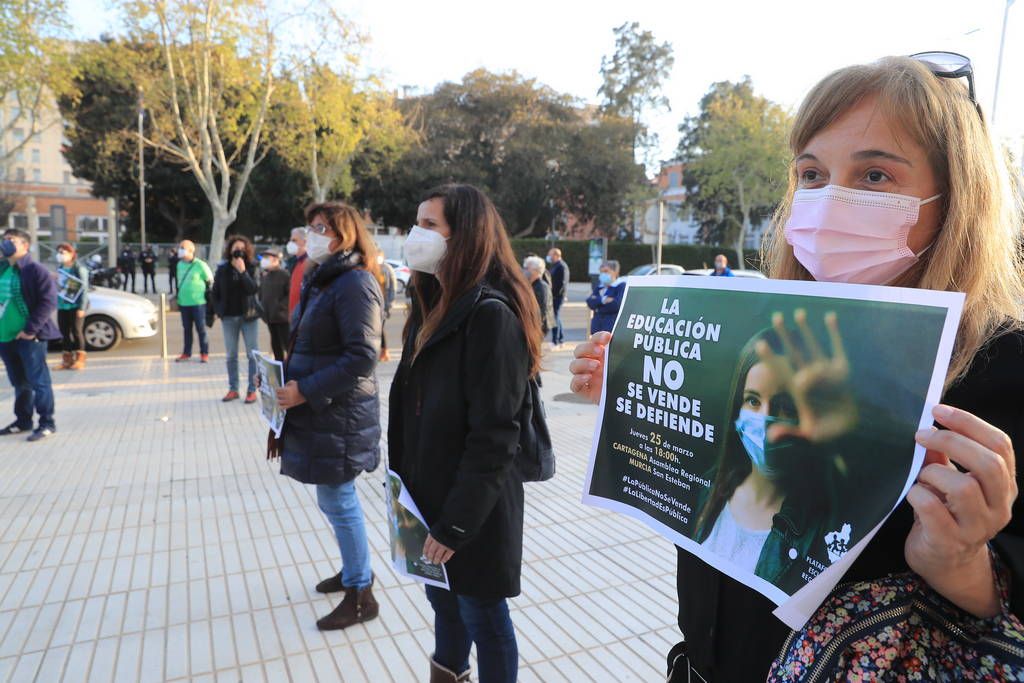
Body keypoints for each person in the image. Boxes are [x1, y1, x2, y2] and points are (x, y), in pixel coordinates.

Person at [569, 55, 1024, 681]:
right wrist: (632, 396)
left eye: (874, 174)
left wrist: (960, 562)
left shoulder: (1002, 364)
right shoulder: (758, 326)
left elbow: (1004, 604)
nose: (831, 198)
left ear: (956, 196)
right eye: (811, 173)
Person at [389, 184, 542, 683]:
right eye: (417, 223)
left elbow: (496, 437)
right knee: (443, 603)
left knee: (484, 617)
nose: (416, 234)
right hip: (427, 499)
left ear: (465, 236)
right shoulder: (430, 305)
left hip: (472, 510)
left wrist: (454, 525)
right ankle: (448, 673)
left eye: (430, 225)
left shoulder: (490, 316)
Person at [269, 202, 384, 632]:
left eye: (320, 228)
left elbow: (362, 355)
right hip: (325, 413)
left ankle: (361, 594)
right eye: (310, 226)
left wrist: (307, 389)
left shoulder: (354, 283)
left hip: (341, 414)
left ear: (344, 236)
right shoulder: (325, 279)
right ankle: (354, 571)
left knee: (340, 499)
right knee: (331, 499)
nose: (311, 234)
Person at [0, 229, 61, 441]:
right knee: (19, 382)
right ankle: (23, 420)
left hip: (29, 337)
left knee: (39, 382)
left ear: (25, 246)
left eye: (11, 240)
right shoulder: (3, 268)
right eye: (4, 239)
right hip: (5, 337)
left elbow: (48, 302)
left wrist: (29, 330)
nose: (6, 243)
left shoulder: (35, 270)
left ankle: (47, 423)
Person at [211, 235, 261, 403]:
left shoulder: (253, 267)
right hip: (229, 317)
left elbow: (253, 289)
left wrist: (243, 272)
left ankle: (252, 390)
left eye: (242, 248)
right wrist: (219, 311)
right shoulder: (222, 268)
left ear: (247, 250)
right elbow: (215, 292)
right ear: (230, 250)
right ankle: (233, 389)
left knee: (252, 355)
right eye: (235, 248)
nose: (238, 251)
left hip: (249, 317)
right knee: (231, 355)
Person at [53, 243, 91, 371]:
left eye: (63, 252)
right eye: (58, 252)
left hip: (75, 306)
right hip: (62, 305)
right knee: (64, 333)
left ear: (71, 254)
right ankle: (67, 361)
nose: (60, 255)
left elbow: (84, 289)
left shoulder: (79, 268)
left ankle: (80, 360)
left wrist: (82, 308)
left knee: (76, 332)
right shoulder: (60, 267)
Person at [175, 240, 212, 363]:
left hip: (198, 303)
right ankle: (186, 353)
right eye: (180, 247)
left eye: (182, 248)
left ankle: (204, 353)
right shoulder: (179, 265)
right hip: (184, 303)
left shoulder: (200, 265)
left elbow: (210, 280)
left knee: (201, 329)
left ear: (191, 250)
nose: (180, 250)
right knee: (186, 329)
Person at [258, 248, 290, 363]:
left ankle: (290, 369)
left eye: (267, 258)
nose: (264, 260)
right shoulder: (265, 275)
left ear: (276, 259)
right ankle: (279, 369)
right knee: (276, 346)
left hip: (282, 318)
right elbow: (261, 294)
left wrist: (280, 307)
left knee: (287, 345)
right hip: (270, 318)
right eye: (263, 258)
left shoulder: (285, 275)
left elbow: (289, 295)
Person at [585, 259, 625, 334]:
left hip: (611, 329)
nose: (603, 274)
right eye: (601, 272)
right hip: (597, 328)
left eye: (606, 271)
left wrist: (598, 307)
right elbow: (590, 302)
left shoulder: (621, 286)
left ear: (615, 272)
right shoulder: (600, 287)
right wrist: (604, 300)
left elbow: (616, 305)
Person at [523, 255, 554, 339]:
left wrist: (534, 328)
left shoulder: (542, 287)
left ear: (536, 271)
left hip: (539, 327)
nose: (524, 271)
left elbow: (541, 310)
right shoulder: (532, 284)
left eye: (527, 268)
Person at [546, 247, 569, 348]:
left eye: (550, 254)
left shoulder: (561, 266)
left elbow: (561, 283)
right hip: (554, 296)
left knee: (554, 317)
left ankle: (555, 340)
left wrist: (554, 295)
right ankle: (560, 339)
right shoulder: (555, 265)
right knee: (556, 317)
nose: (549, 256)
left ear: (556, 255)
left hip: (557, 297)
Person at [378, 254, 397, 362]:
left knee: (380, 328)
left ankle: (384, 352)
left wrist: (389, 305)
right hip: (375, 304)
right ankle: (382, 352)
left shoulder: (386, 268)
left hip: (383, 305)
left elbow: (392, 288)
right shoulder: (371, 266)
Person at [287, 227, 308, 318]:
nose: (291, 243)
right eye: (290, 240)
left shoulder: (310, 264)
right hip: (295, 316)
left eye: (294, 240)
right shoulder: (296, 262)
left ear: (305, 241)